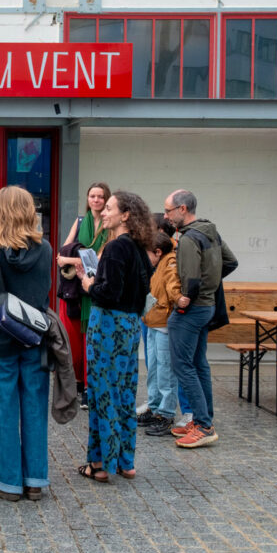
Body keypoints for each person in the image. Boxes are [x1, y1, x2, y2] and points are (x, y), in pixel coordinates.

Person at [0, 186, 53, 502]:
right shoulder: (45, 249)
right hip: (35, 337)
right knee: (35, 408)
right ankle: (35, 480)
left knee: (4, 410)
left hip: (0, 337)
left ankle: (7, 482)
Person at [78, 190, 152, 483]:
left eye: (109, 208)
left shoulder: (115, 248)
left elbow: (109, 293)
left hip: (108, 327)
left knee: (101, 393)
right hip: (130, 327)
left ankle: (99, 464)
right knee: (123, 393)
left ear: (126, 215)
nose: (103, 212)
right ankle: (125, 461)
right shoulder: (137, 247)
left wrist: (88, 284)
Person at [164, 189, 237, 449]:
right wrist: (210, 284)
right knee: (198, 363)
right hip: (207, 307)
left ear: (182, 209)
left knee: (183, 365)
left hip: (192, 309)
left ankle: (204, 425)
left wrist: (188, 297)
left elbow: (190, 279)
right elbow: (231, 261)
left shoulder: (187, 239)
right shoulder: (210, 231)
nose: (166, 216)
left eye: (169, 211)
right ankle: (204, 422)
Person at [57, 182, 111, 405]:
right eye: (92, 196)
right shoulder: (80, 221)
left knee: (92, 341)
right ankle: (78, 383)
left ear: (106, 199)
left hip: (95, 291)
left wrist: (74, 259)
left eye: (100, 197)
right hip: (74, 293)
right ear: (87, 199)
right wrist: (79, 259)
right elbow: (61, 255)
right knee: (73, 342)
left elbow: (100, 259)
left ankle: (91, 386)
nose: (96, 200)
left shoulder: (110, 226)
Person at [140, 230, 183, 437]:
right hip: (153, 321)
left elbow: (174, 286)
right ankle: (155, 407)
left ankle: (165, 414)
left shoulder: (170, 263)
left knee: (165, 371)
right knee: (155, 368)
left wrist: (179, 299)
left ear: (157, 252)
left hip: (163, 324)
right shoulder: (158, 263)